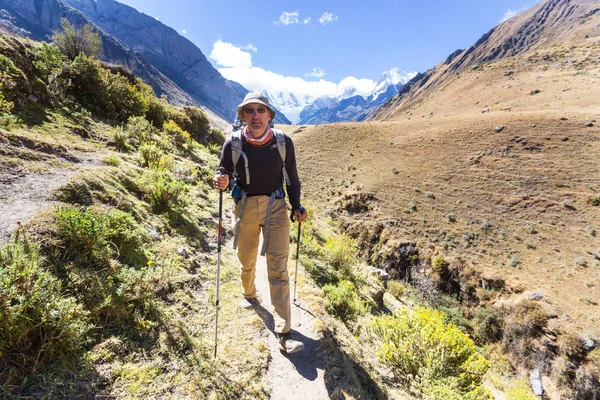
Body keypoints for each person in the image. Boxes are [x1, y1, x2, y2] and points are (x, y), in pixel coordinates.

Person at [212, 92, 308, 354]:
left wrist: (297, 205)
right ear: (243, 115)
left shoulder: (283, 143)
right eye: (249, 111)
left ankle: (284, 331)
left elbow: (292, 179)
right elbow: (225, 173)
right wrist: (221, 180)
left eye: (260, 110)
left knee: (278, 266)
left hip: (276, 207)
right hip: (244, 206)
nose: (255, 115)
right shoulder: (232, 144)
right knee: (247, 257)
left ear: (269, 114)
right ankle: (249, 293)